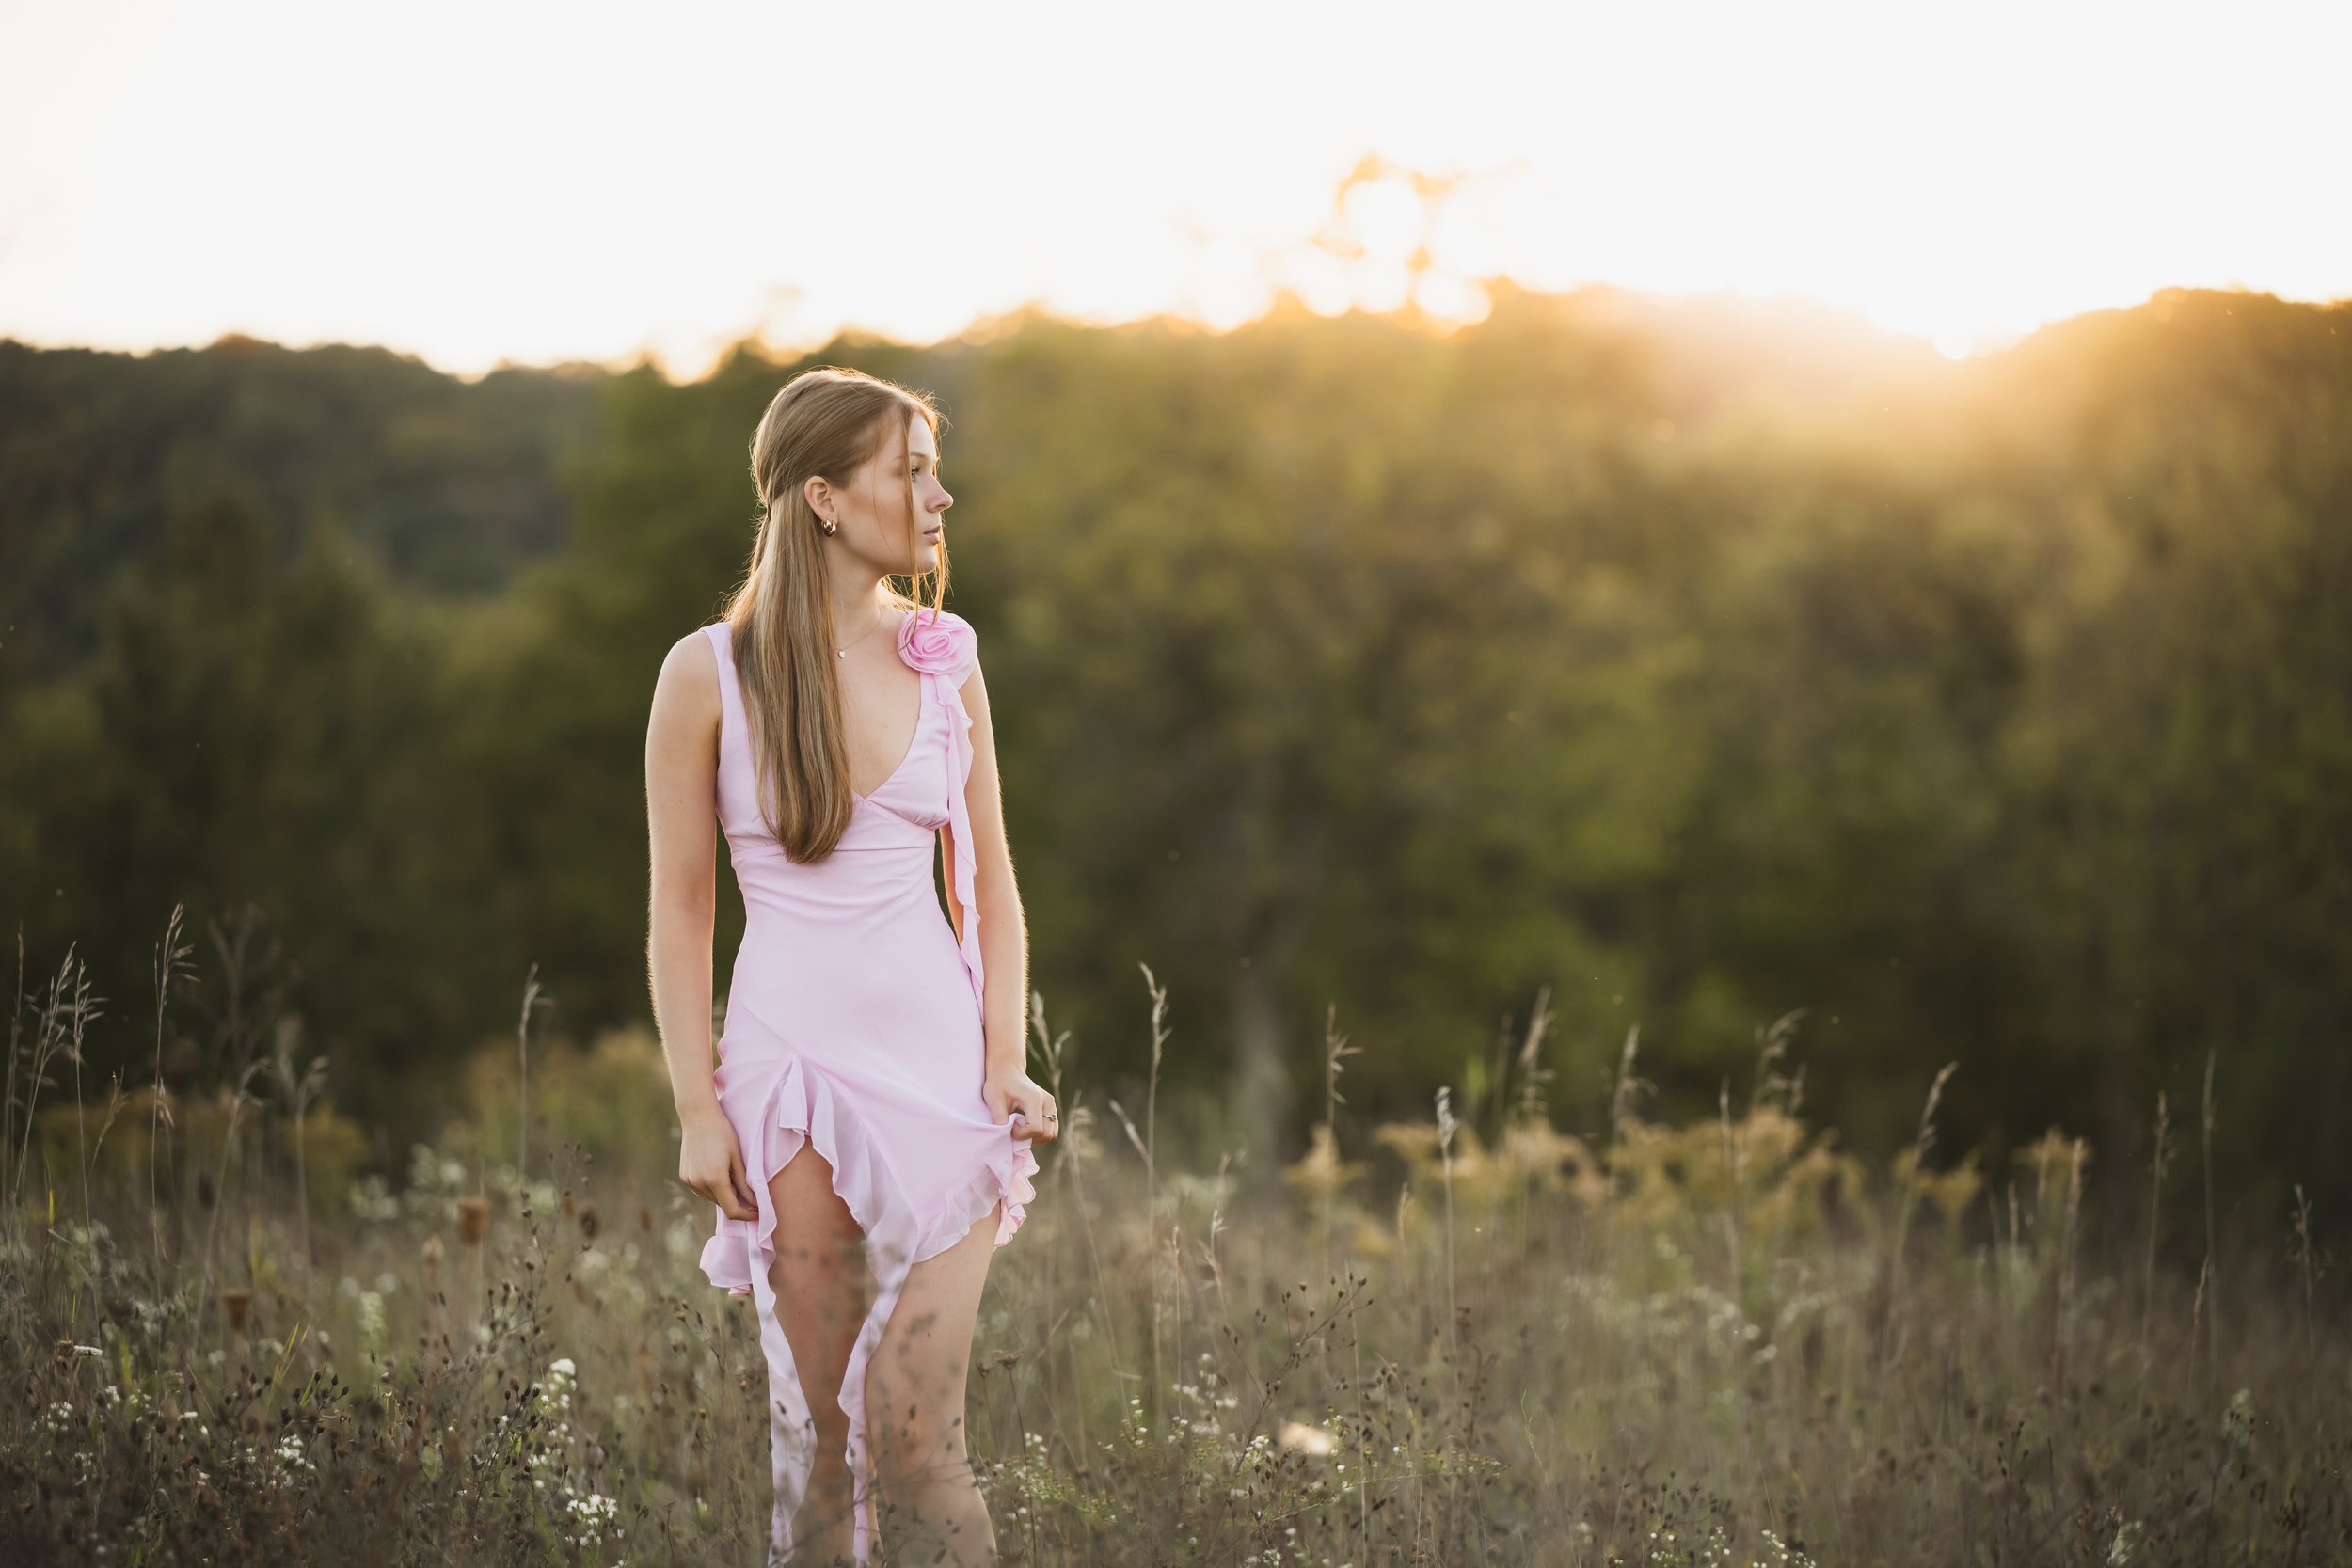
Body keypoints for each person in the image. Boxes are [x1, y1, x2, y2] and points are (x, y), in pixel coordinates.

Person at [644, 365, 1057, 1566]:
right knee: (822, 1431)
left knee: (916, 1422)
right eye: (907, 469)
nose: (938, 494)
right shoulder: (704, 673)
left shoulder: (945, 658)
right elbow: (678, 912)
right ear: (823, 495)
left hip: (942, 1075)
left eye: (933, 467)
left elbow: (994, 885)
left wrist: (1005, 1061)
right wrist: (693, 1107)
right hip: (786, 1081)